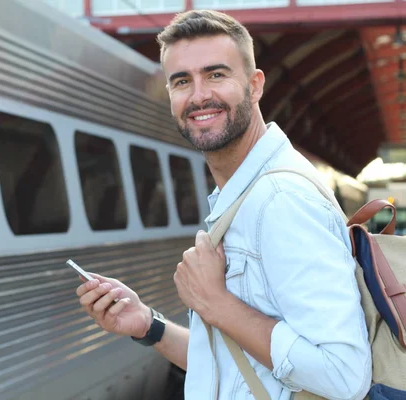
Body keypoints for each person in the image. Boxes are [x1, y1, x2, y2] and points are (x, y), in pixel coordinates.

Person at [76, 9, 371, 400]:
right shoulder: (242, 196)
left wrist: (216, 304)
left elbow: (344, 376)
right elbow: (233, 367)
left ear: (254, 85)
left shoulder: (280, 201)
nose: (199, 96)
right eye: (182, 81)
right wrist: (148, 325)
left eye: (216, 74)